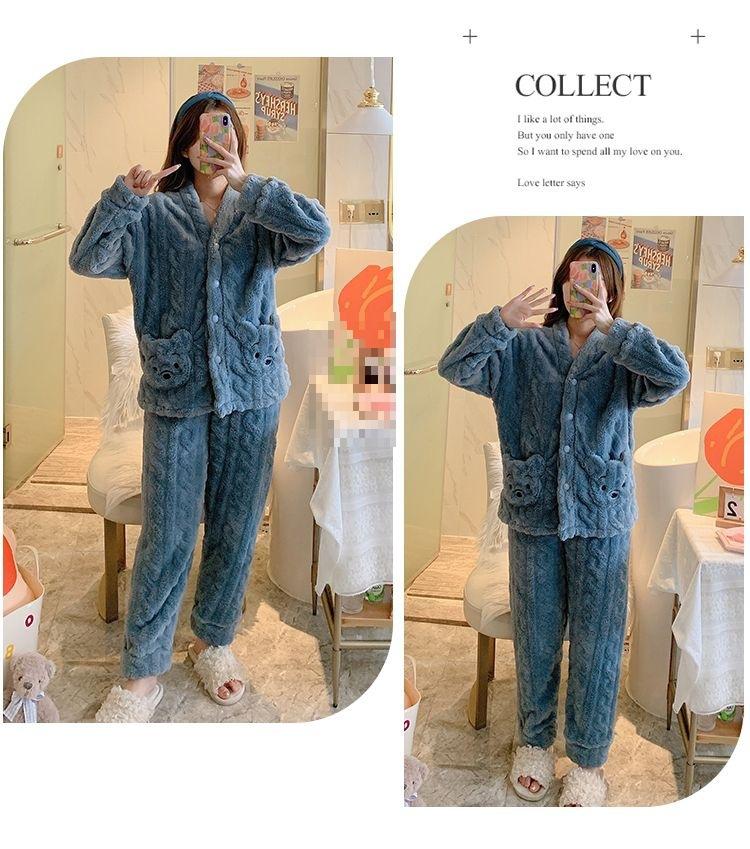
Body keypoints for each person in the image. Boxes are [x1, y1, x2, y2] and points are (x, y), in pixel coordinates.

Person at [69, 91, 331, 722]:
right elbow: (87, 258)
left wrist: (250, 184)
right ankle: (142, 671)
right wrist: (123, 199)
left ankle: (213, 641)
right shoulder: (153, 214)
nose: (216, 143)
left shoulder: (258, 211)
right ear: (184, 144)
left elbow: (317, 230)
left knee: (236, 529)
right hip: (177, 392)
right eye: (204, 134)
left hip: (251, 392)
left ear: (237, 140)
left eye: (226, 132)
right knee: (169, 533)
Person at [437, 237, 690, 805]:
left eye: (599, 282)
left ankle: (588, 760)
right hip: (535, 515)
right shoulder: (524, 347)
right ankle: (533, 741)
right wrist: (499, 322)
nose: (586, 289)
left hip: (602, 517)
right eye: (578, 276)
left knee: (599, 641)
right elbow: (455, 366)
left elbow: (675, 375)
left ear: (612, 293)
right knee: (536, 634)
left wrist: (615, 331)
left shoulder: (622, 354)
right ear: (562, 281)